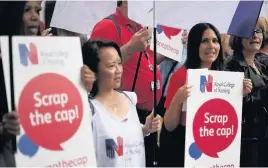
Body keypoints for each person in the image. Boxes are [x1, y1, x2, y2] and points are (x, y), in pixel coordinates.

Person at [163, 23, 252, 167]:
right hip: (185, 150)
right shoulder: (180, 76)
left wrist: (239, 95)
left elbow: (226, 119)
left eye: (215, 40)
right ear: (194, 45)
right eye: (205, 41)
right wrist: (177, 100)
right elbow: (169, 125)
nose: (211, 46)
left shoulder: (225, 77)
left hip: (215, 151)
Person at [90, 1, 163, 166]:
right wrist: (130, 47)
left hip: (139, 114)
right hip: (113, 112)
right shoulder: (108, 25)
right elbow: (96, 66)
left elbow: (147, 61)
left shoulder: (140, 27)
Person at [81, 39, 161, 167]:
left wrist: (146, 129)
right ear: (93, 71)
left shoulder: (129, 99)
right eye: (111, 65)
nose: (118, 70)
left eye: (119, 63)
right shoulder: (89, 109)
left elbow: (124, 135)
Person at [224, 18, 268, 167]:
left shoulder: (260, 65)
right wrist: (242, 95)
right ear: (238, 36)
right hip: (245, 140)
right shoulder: (231, 65)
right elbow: (227, 105)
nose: (255, 35)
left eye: (258, 31)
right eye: (249, 32)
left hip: (262, 135)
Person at [0, 1, 26, 166]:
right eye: (27, 10)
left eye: (38, 10)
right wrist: (3, 128)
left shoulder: (48, 58)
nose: (35, 17)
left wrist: (82, 83)